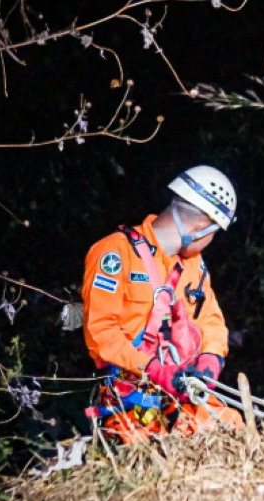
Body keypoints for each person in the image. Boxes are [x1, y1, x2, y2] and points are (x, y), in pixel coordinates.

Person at [82, 165, 243, 443]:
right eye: (213, 234)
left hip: (179, 395)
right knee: (141, 451)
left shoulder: (194, 267)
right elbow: (101, 333)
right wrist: (154, 369)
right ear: (199, 229)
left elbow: (211, 321)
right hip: (127, 399)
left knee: (230, 429)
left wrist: (210, 359)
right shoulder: (115, 254)